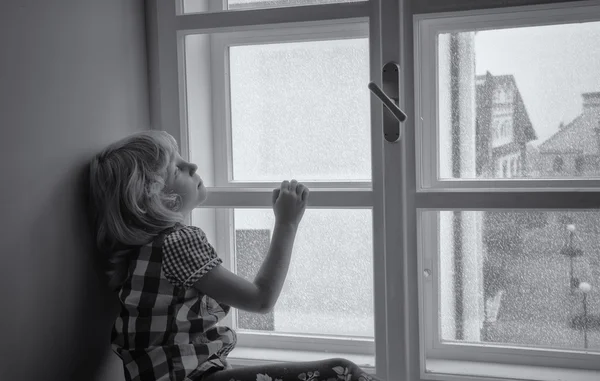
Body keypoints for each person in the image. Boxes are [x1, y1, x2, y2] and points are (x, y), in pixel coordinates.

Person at [89, 130, 380, 381]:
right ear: (153, 196)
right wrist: (287, 223)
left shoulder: (139, 250)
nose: (192, 165)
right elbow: (260, 299)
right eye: (177, 169)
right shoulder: (178, 242)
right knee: (342, 372)